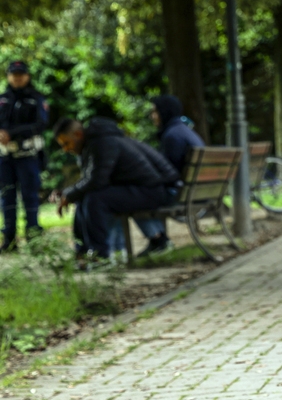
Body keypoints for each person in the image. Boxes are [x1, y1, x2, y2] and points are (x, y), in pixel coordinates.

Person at [53, 117, 179, 263]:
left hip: (151, 192)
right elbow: (91, 180)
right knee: (86, 198)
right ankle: (84, 253)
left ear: (78, 135)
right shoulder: (98, 141)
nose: (66, 149)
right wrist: (68, 193)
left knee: (96, 199)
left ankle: (99, 256)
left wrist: (69, 194)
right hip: (146, 189)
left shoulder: (102, 142)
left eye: (66, 143)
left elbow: (97, 181)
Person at [121, 95, 205, 257]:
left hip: (180, 195)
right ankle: (158, 239)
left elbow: (168, 173)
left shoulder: (172, 136)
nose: (153, 116)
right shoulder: (184, 131)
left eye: (155, 111)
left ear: (164, 112)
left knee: (131, 196)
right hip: (195, 192)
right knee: (138, 194)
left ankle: (158, 240)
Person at [0, 61, 49, 252]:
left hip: (28, 156)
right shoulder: (3, 99)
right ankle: (9, 240)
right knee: (7, 198)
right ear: (8, 76)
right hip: (5, 158)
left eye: (21, 74)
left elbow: (40, 124)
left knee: (30, 197)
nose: (17, 77)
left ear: (27, 76)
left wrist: (13, 133)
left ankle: (34, 239)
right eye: (14, 74)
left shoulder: (36, 98)